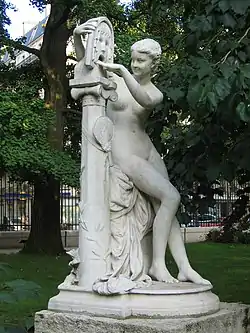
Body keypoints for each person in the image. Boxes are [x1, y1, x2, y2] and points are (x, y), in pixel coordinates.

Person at [74, 21, 210, 285]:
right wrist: (79, 38)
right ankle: (159, 265)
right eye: (133, 60)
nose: (135, 65)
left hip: (147, 149)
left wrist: (124, 72)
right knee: (171, 196)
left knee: (167, 204)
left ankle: (184, 266)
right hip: (124, 152)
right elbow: (86, 63)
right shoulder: (114, 77)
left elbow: (144, 100)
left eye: (140, 62)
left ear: (153, 65)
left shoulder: (152, 91)